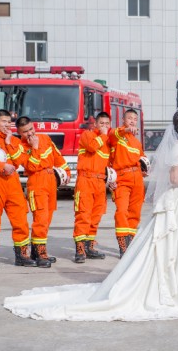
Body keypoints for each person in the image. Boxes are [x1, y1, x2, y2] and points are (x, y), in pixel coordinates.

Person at [3, 109, 178, 321]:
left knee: (133, 222)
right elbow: (173, 178)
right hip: (91, 181)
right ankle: (70, 249)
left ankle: (105, 247)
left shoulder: (141, 142)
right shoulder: (95, 136)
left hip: (144, 185)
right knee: (90, 217)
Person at [0, 109, 36, 269]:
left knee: (21, 221)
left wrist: (9, 143)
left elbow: (21, 160)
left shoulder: (15, 141)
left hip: (13, 185)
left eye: (9, 122)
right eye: (3, 121)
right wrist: (1, 166)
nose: (6, 125)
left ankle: (22, 255)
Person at [8, 116, 71, 268]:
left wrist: (66, 171)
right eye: (25, 132)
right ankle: (41, 253)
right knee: (40, 220)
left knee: (47, 218)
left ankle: (36, 251)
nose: (29, 133)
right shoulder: (20, 146)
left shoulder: (45, 138)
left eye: (31, 129)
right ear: (19, 133)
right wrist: (35, 147)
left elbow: (57, 156)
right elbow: (31, 167)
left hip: (50, 181)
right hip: (36, 182)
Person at [107, 109, 147, 257]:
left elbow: (143, 161)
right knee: (122, 211)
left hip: (137, 179)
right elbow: (114, 134)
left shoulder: (137, 142)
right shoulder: (117, 135)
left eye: (134, 119)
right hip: (122, 178)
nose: (132, 121)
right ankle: (122, 245)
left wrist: (144, 169)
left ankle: (131, 242)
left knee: (135, 212)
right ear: (123, 120)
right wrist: (126, 130)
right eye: (129, 118)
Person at [72, 112, 111, 263]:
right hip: (86, 180)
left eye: (107, 124)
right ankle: (80, 249)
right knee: (83, 215)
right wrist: (102, 135)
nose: (104, 127)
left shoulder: (108, 142)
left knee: (96, 216)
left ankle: (90, 246)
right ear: (95, 124)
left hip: (100, 182)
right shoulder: (87, 135)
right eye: (101, 123)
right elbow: (92, 148)